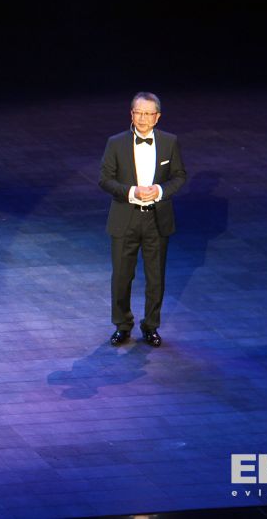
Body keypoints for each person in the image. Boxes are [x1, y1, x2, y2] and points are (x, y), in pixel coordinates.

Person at [99, 92, 187, 347]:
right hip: (125, 218)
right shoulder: (116, 143)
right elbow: (105, 179)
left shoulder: (169, 142)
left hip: (156, 220)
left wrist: (159, 191)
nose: (143, 118)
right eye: (138, 113)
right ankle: (122, 325)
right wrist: (131, 192)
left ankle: (151, 326)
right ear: (131, 114)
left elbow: (179, 176)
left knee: (155, 277)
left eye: (148, 114)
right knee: (121, 276)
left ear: (157, 117)